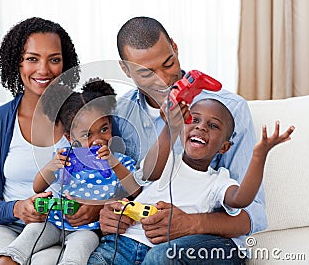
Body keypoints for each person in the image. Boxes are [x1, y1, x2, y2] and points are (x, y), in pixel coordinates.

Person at [89, 16, 267, 264]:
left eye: (168, 63)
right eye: (146, 73)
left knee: (161, 257)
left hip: (208, 242)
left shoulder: (229, 109)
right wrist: (109, 211)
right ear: (126, 70)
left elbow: (253, 213)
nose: (163, 79)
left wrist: (190, 224)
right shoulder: (121, 115)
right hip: (139, 238)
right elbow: (130, 185)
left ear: (174, 46)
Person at [89, 98, 294, 264]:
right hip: (123, 244)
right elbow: (148, 174)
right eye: (194, 120)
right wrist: (170, 128)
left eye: (213, 126)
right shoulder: (164, 163)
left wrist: (258, 157)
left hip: (164, 250)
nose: (201, 127)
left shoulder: (218, 181)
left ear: (224, 147)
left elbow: (241, 200)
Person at [0, 17, 86, 265]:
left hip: (57, 233)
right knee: (4, 260)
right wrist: (18, 208)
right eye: (32, 58)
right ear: (16, 62)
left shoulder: (85, 115)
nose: (44, 70)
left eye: (55, 59)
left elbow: (113, 175)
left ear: (65, 64)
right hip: (4, 228)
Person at [0, 78, 140, 265]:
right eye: (87, 135)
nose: (97, 140)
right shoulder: (67, 158)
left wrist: (113, 161)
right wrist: (51, 167)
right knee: (31, 233)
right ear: (70, 138)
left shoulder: (120, 161)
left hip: (88, 229)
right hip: (54, 221)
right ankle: (6, 260)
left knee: (82, 247)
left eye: (104, 129)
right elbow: (38, 187)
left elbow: (135, 191)